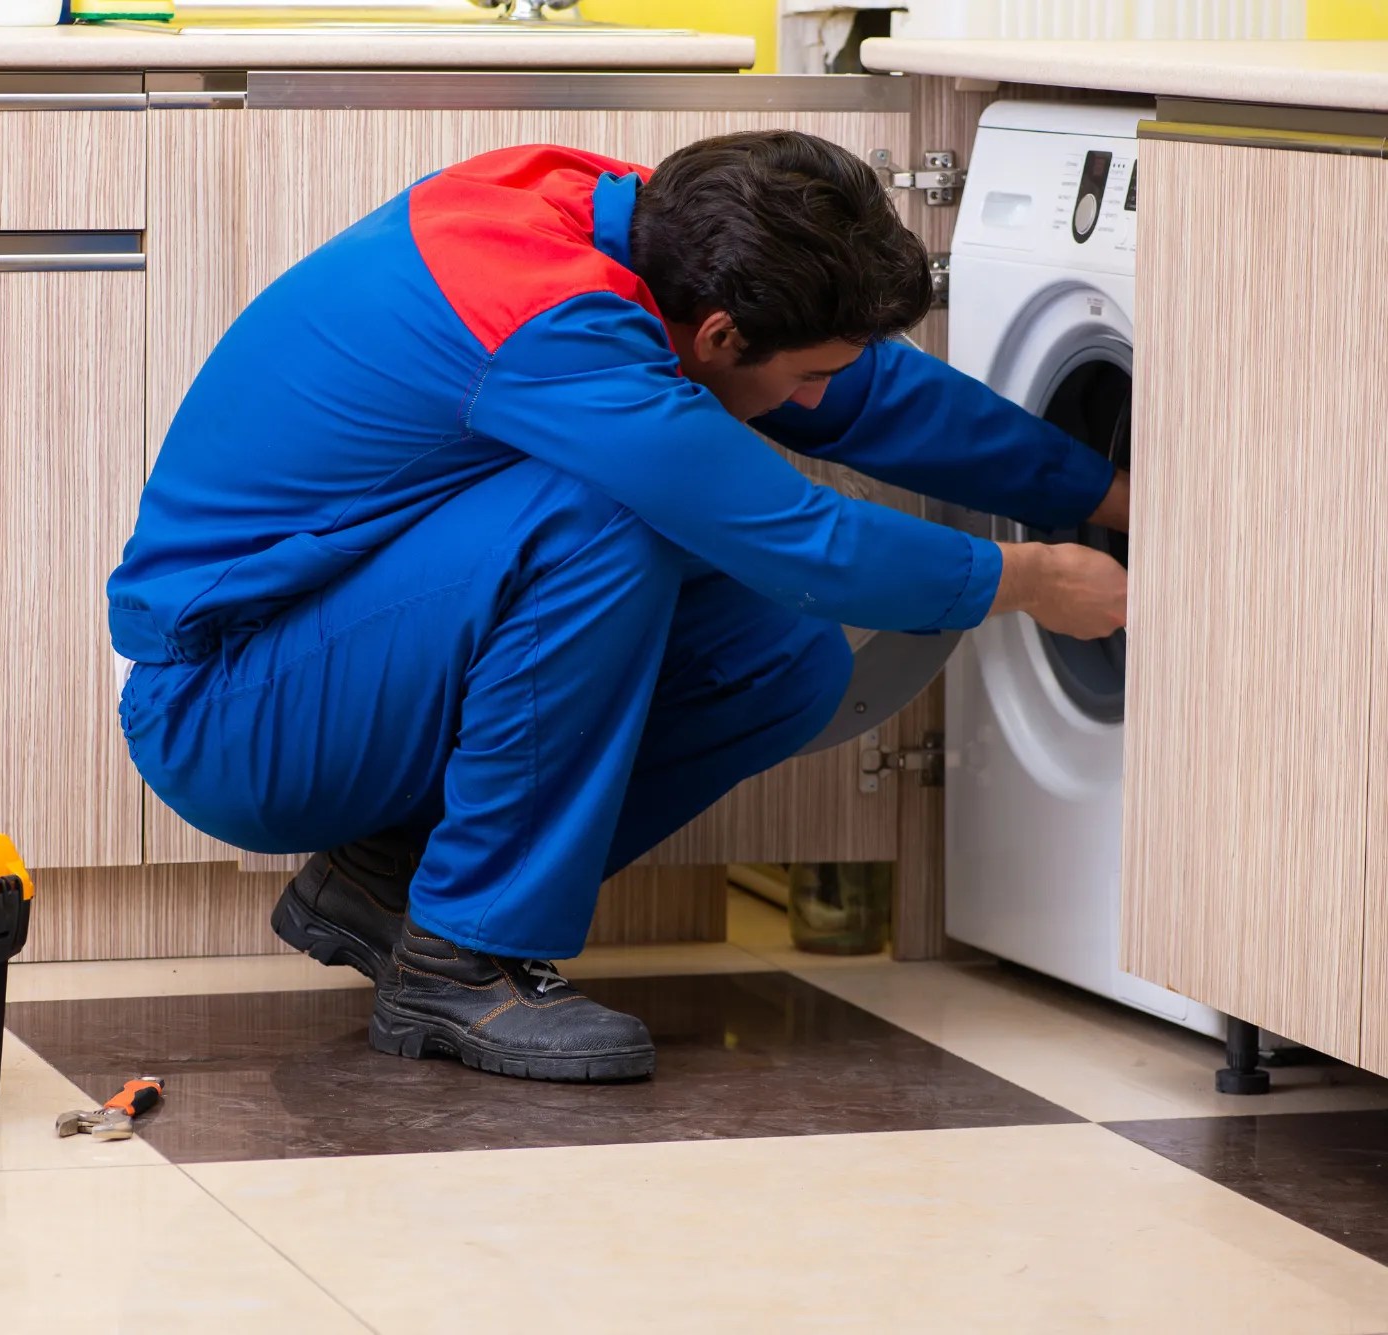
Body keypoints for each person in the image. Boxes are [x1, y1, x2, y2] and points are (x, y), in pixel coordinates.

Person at [107, 131, 1129, 1084]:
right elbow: (799, 539)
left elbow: (873, 395)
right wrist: (1031, 581)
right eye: (807, 376)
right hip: (226, 709)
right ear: (720, 334)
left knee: (786, 661)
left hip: (332, 653)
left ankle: (389, 881)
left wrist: (1105, 494)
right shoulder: (548, 316)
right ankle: (459, 958)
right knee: (603, 515)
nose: (818, 399)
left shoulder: (642, 226)